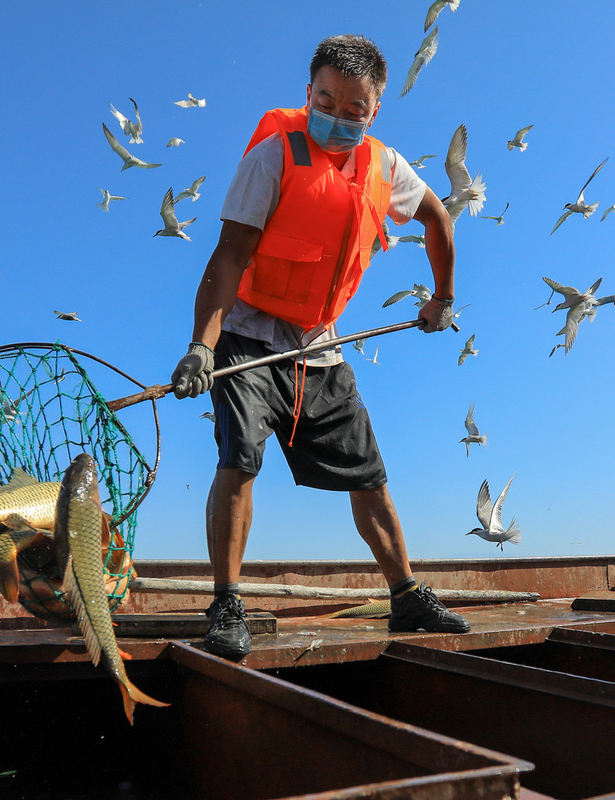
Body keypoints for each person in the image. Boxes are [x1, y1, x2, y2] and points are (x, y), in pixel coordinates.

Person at [170, 34, 470, 659]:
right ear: (309, 94)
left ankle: (407, 596)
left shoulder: (386, 169)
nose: (337, 114)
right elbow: (228, 257)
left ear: (373, 111)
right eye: (326, 99)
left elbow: (439, 218)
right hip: (249, 334)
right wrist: (203, 345)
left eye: (353, 108)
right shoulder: (273, 158)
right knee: (239, 458)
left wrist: (441, 299)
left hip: (320, 345)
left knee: (370, 474)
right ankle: (227, 601)